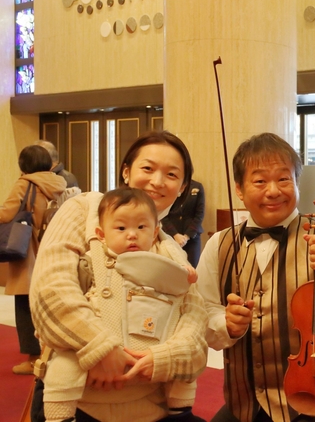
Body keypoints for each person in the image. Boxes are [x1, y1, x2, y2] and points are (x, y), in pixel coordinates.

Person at [30, 131, 208, 422]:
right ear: (126, 171)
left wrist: (165, 359)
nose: (158, 181)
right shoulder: (84, 210)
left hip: (152, 406)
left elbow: (194, 317)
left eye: (172, 174)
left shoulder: (170, 247)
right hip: (81, 402)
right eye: (147, 168)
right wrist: (100, 348)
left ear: (182, 187)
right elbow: (50, 290)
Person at [197, 132, 315, 422]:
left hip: (312, 394)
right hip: (244, 401)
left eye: (283, 179)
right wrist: (224, 323)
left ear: (296, 183)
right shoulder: (220, 244)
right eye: (259, 181)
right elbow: (202, 310)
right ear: (239, 188)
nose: (273, 191)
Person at [0, 145, 67, 375]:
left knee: (25, 304)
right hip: (52, 246)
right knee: (48, 302)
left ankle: (33, 358)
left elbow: (7, 214)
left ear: (24, 165)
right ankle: (53, 351)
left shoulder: (25, 183)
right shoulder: (60, 183)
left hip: (29, 250)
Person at [161, 179, 206, 266]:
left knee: (193, 269)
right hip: (170, 236)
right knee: (170, 268)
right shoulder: (169, 186)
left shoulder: (197, 186)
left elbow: (200, 215)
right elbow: (163, 213)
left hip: (192, 237)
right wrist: (175, 234)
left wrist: (186, 237)